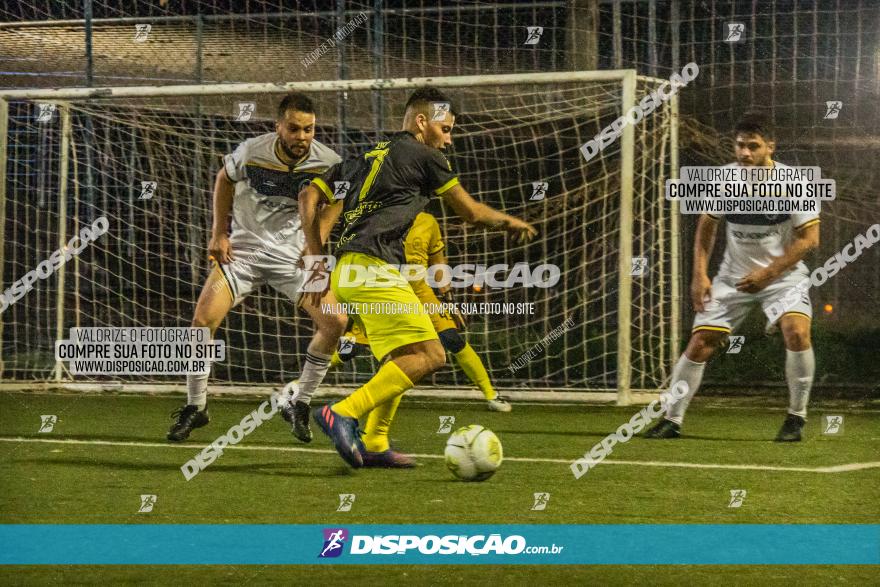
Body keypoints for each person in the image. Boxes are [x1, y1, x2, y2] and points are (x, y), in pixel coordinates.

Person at [298, 87, 537, 468]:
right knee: (431, 354)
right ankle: (342, 412)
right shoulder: (425, 155)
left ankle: (375, 442)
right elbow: (471, 212)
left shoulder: (366, 156)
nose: (449, 138)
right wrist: (510, 222)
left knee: (401, 356)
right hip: (374, 269)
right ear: (422, 121)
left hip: (348, 270)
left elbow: (309, 196)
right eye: (445, 129)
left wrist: (315, 262)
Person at [166, 92, 348, 442]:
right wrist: (219, 233)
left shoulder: (328, 161)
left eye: (309, 129)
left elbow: (337, 201)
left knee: (336, 321)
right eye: (294, 129)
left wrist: (315, 245)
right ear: (279, 126)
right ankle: (196, 406)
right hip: (244, 255)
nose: (302, 137)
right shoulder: (252, 151)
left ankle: (300, 402)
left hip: (293, 258)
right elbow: (223, 179)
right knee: (202, 321)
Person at [645, 111, 819, 441]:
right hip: (733, 277)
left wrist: (768, 273)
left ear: (771, 146)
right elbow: (706, 230)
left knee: (797, 332)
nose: (745, 154)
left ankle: (796, 419)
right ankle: (672, 419)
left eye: (753, 146)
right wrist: (699, 275)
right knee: (699, 343)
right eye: (740, 146)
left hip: (783, 277)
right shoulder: (724, 179)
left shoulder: (796, 182)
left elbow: (809, 239)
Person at [328, 211, 512, 412]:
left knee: (452, 338)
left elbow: (438, 262)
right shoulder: (382, 216)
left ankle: (491, 395)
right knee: (351, 349)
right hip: (386, 291)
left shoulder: (428, 221)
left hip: (421, 292)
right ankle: (303, 385)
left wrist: (449, 300)